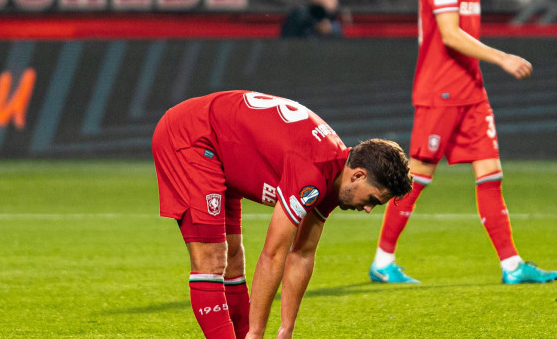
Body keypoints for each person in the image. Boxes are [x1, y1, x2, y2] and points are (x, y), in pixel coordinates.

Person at [369, 0, 557, 286]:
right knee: (416, 178)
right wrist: (502, 57)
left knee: (491, 174)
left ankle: (512, 266)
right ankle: (382, 261)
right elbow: (451, 34)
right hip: (440, 93)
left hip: (471, 92)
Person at [154, 90, 413, 339]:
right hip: (191, 136)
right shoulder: (313, 169)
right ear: (358, 175)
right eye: (371, 200)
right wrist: (256, 333)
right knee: (210, 259)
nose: (368, 209)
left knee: (233, 258)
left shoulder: (335, 174)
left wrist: (285, 329)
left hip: (223, 149)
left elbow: (302, 253)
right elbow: (274, 253)